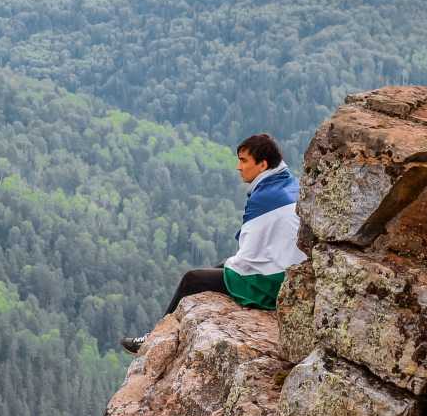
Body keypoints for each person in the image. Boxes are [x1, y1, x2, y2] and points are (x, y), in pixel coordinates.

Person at [120, 133, 306, 354]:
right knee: (221, 266)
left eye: (244, 160)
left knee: (192, 279)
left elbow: (248, 254)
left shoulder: (265, 198)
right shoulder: (289, 183)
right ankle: (156, 335)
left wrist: (235, 267)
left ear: (263, 164)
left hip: (271, 283)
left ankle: (152, 341)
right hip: (292, 275)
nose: (238, 167)